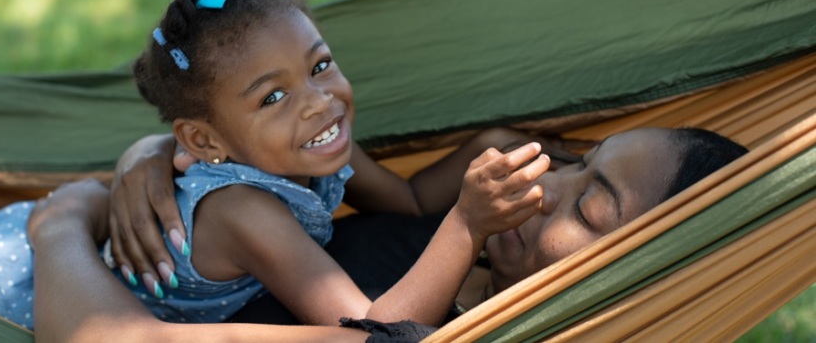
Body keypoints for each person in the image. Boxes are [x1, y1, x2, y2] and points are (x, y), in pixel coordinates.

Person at [0, 0, 559, 330]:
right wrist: (467, 225)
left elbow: (412, 201)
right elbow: (371, 329)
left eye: (320, 65)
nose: (318, 103)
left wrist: (492, 143)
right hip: (13, 294)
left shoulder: (316, 141)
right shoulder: (245, 211)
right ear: (203, 142)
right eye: (274, 96)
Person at [95, 126, 749, 324]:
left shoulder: (469, 231)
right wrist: (154, 151)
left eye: (588, 209)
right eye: (579, 161)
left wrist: (63, 218)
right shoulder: (475, 206)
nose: (543, 184)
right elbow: (292, 142)